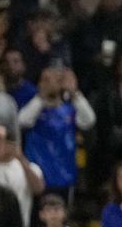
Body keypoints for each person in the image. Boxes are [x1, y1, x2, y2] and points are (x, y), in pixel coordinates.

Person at [18, 65, 95, 200]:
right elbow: (22, 121)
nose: (51, 83)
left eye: (56, 79)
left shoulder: (70, 108)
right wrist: (42, 96)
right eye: (46, 80)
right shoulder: (34, 106)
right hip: (37, 177)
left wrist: (74, 92)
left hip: (65, 175)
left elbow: (89, 121)